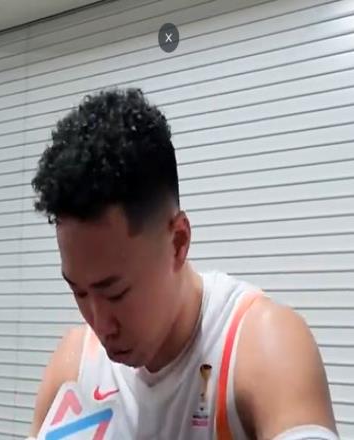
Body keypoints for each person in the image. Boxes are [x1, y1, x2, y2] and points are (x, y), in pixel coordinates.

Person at [28, 88, 338, 439]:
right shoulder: (75, 367)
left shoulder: (261, 345)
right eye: (79, 293)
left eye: (115, 293)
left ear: (178, 242)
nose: (101, 326)